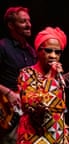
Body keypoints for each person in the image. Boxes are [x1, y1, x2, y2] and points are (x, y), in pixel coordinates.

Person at [16, 26, 69, 144]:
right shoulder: (27, 73)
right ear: (38, 50)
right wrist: (50, 77)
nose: (53, 56)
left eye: (58, 52)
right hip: (34, 138)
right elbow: (32, 105)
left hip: (56, 137)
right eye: (48, 50)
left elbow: (57, 113)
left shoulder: (58, 78)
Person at [0, 6, 37, 144]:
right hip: (7, 114)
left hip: (27, 114)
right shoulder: (3, 46)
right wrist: (8, 93)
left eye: (29, 21)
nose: (29, 25)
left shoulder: (32, 52)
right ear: (11, 25)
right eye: (23, 21)